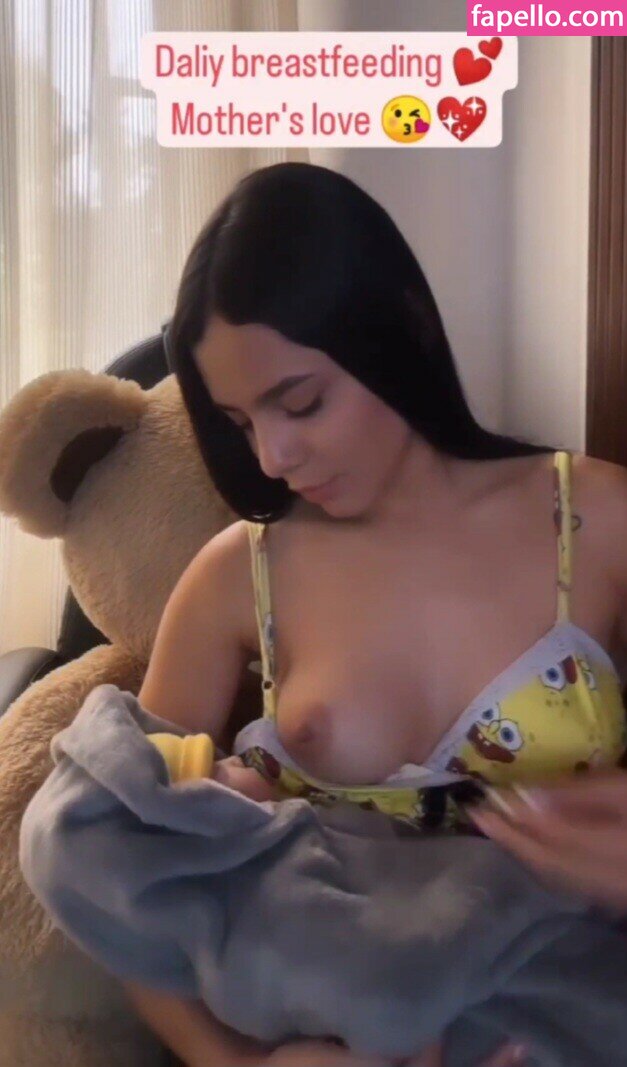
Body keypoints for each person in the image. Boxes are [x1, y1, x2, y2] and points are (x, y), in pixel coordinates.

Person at [74, 162, 627, 1064]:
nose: (274, 454)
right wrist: (240, 1065)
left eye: (301, 402)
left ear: (401, 327)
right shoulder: (236, 576)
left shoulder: (596, 520)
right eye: (240, 422)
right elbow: (126, 871)